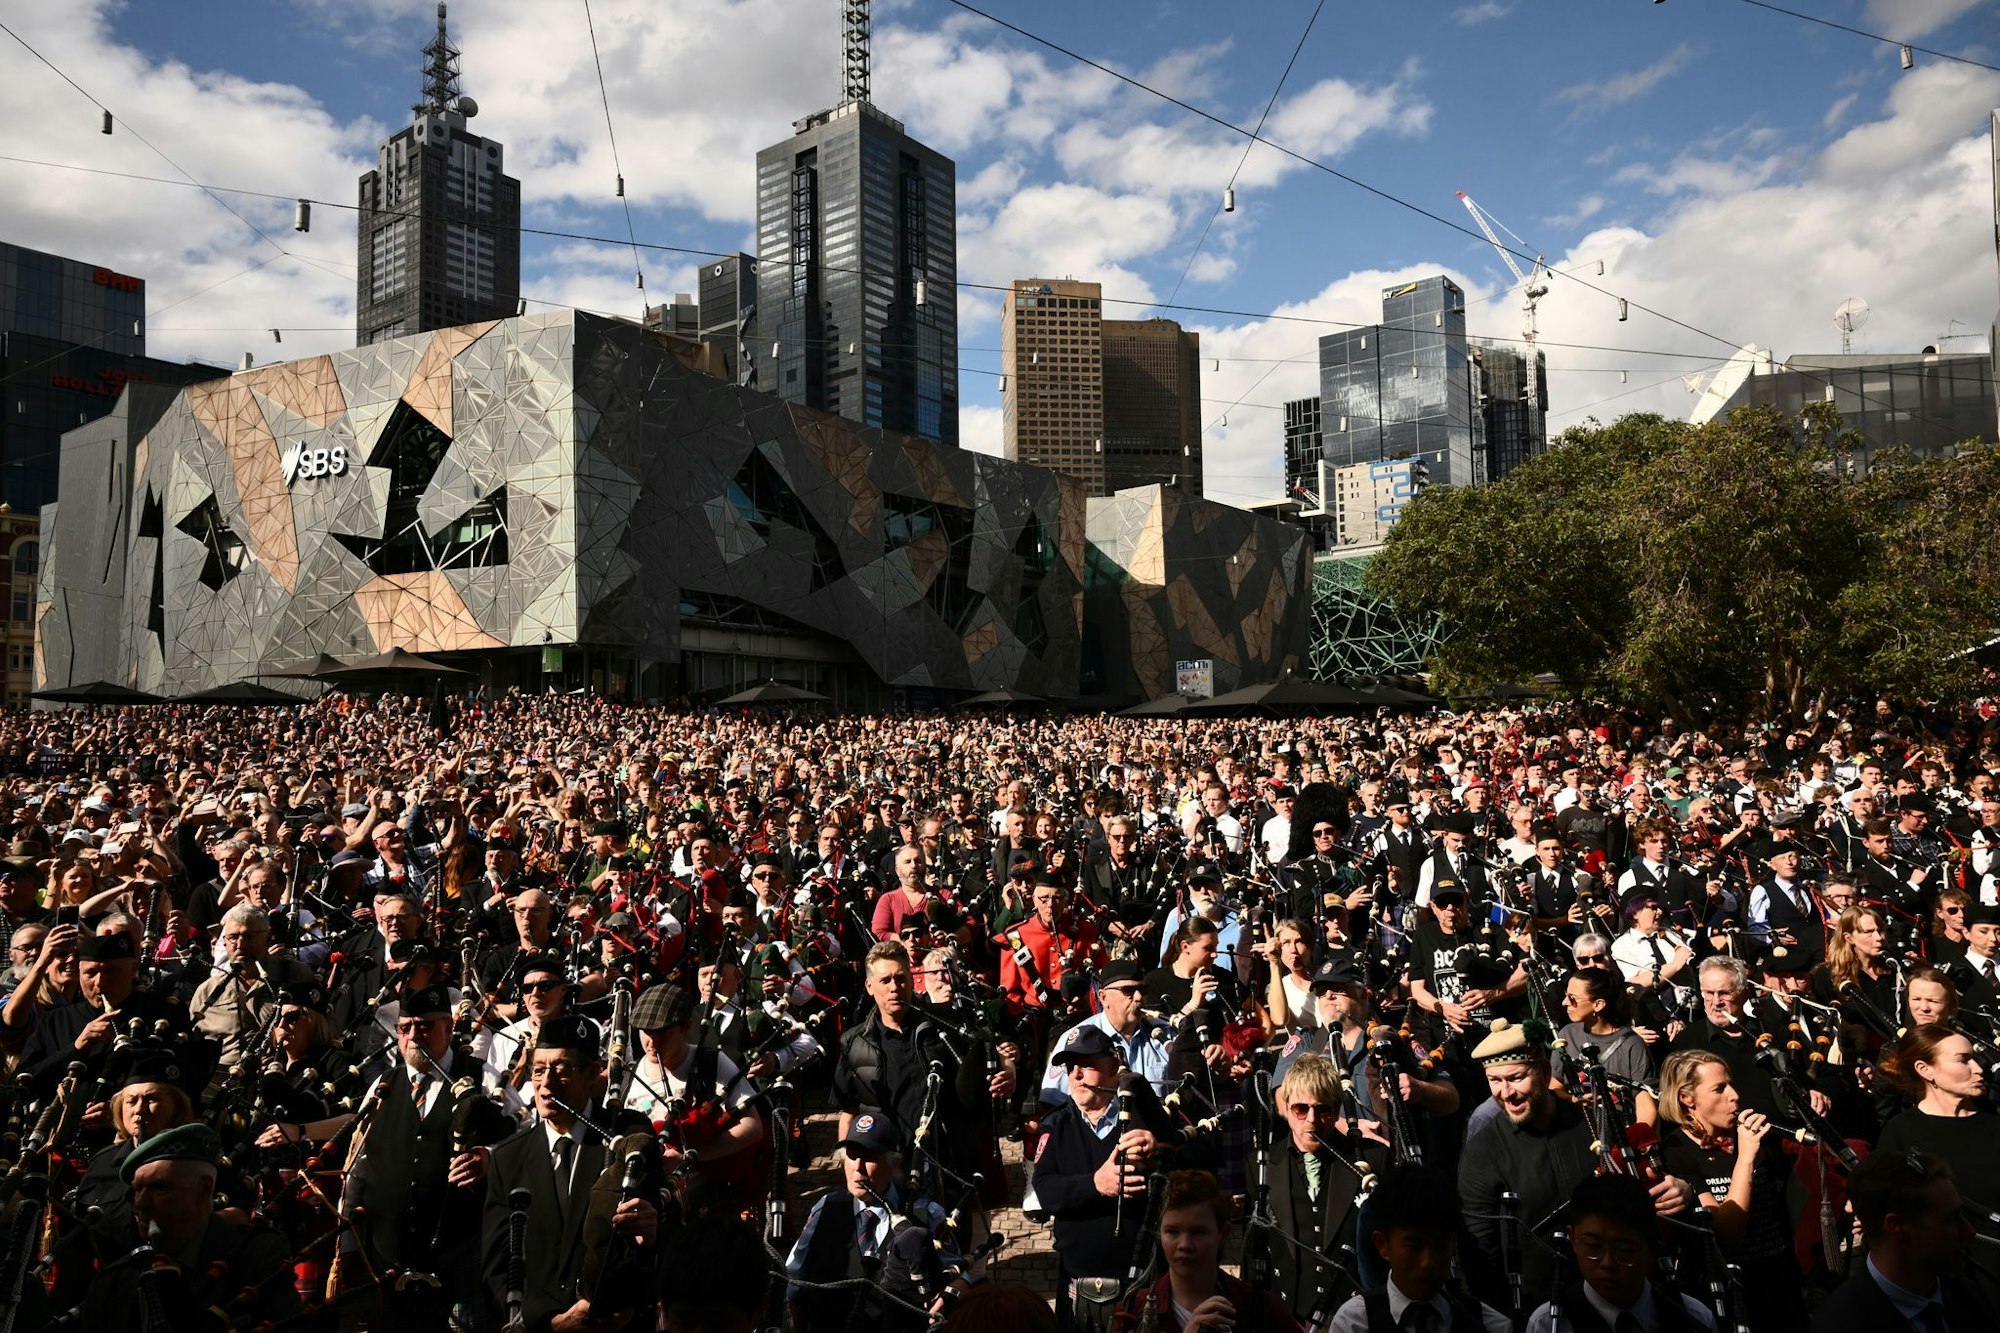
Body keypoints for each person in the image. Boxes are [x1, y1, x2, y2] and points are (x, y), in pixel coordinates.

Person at [1458, 1020, 1693, 1314]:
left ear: (1545, 1073)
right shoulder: (1483, 1149)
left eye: (1516, 1078)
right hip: (1538, 1307)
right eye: (1495, 1081)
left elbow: (1643, 1192)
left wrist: (1681, 1191)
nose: (1507, 1093)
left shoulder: (1597, 1123)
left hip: (1615, 1299)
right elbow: (1479, 1248)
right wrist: (1508, 1316)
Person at [1030, 1025, 1182, 1332]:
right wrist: (1095, 1184)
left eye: (1086, 1064)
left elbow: (1191, 1165)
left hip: (1143, 1277)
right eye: (1070, 1067)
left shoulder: (1144, 1116)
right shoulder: (1056, 1124)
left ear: (1113, 1067)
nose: (1076, 1075)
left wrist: (1158, 1154)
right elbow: (1045, 1191)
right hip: (1078, 1278)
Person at [481, 1014, 613, 1333]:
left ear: (592, 1073)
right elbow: (497, 1269)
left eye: (562, 1070)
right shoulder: (509, 1159)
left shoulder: (621, 1143)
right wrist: (548, 1320)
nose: (546, 1084)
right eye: (538, 1070)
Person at [1654, 1049, 1803, 1330]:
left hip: (1779, 1282)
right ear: (1687, 1098)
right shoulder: (1676, 1152)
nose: (1734, 1095)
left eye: (1731, 1084)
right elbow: (1728, 1231)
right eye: (1719, 1089)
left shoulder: (1749, 1135)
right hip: (1725, 1291)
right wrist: (1745, 1158)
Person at [786, 1112, 964, 1333]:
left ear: (894, 1163)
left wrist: (951, 1292)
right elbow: (795, 1279)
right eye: (852, 1155)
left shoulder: (925, 1214)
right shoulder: (826, 1207)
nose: (858, 1167)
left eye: (869, 1157)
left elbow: (961, 1274)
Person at [1809, 1148, 1998, 1332]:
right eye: (1949, 1220)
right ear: (1896, 1227)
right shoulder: (1842, 1323)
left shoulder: (1966, 1296)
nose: (1969, 1231)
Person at [1327, 1161, 1511, 1333]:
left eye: (1439, 1246)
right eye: (1413, 1246)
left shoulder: (1491, 1326)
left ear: (1453, 1246)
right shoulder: (1355, 1325)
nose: (1428, 1262)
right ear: (1382, 1244)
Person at [1525, 1174, 1718, 1332]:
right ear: (1572, 1239)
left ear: (1651, 1249)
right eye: (1593, 1246)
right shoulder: (1550, 1324)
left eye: (1625, 1250)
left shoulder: (1694, 1319)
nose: (1607, 1263)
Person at [1117, 1168, 1302, 1333]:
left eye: (1198, 1232)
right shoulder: (1135, 1309)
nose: (1184, 1244)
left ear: (1222, 1233)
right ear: (1160, 1232)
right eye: (1172, 1232)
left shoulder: (1257, 1307)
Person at [1268, 1053, 1379, 1323]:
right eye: (1300, 1109)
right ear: (1285, 1107)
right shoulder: (1261, 1164)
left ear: (1338, 1108)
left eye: (1323, 1109)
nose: (1312, 1119)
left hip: (1354, 1316)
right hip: (1287, 1317)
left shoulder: (1372, 1160)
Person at [1875, 1024, 2000, 1239]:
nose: (1978, 1069)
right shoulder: (1899, 1133)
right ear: (1925, 1069)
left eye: (1975, 1059)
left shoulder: (1994, 1126)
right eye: (1963, 1060)